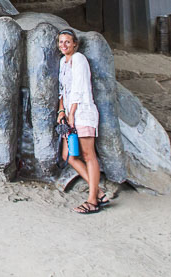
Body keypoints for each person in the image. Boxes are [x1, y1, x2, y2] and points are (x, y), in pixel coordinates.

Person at [56, 29, 110, 214]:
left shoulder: (79, 59)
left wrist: (71, 114)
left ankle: (92, 201)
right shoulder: (63, 62)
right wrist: (61, 110)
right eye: (61, 42)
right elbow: (63, 90)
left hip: (83, 112)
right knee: (68, 156)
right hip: (70, 114)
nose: (64, 45)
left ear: (75, 44)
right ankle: (99, 192)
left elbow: (78, 88)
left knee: (88, 156)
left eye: (67, 42)